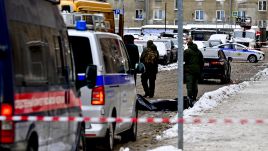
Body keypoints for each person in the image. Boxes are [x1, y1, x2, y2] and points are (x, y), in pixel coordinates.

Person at [184, 36, 204, 107]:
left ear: (188, 45)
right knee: (195, 84)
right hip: (197, 71)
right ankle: (194, 97)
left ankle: (189, 98)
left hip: (189, 71)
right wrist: (200, 69)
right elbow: (202, 62)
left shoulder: (187, 51)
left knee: (189, 85)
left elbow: (183, 60)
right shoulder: (198, 51)